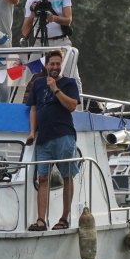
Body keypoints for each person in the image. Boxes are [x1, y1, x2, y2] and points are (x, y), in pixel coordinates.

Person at [26, 50, 79, 231]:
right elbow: (33, 109)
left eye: (58, 64)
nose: (55, 67)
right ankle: (41, 220)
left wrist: (55, 88)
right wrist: (32, 132)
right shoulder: (38, 83)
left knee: (67, 177)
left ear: (61, 65)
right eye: (52, 64)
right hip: (43, 139)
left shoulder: (69, 83)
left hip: (64, 136)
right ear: (46, 65)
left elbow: (72, 106)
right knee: (42, 179)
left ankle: (64, 218)